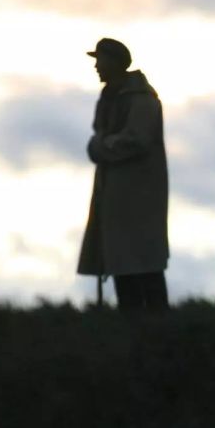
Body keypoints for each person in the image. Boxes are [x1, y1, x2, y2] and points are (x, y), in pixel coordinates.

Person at [77, 37, 170, 312]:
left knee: (142, 261)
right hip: (115, 195)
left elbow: (136, 140)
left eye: (100, 60)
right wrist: (101, 145)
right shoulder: (108, 99)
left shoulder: (141, 100)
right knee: (120, 259)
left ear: (115, 64)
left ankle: (157, 319)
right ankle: (130, 319)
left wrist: (102, 147)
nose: (96, 66)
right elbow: (100, 136)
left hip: (139, 194)